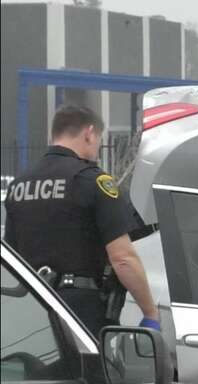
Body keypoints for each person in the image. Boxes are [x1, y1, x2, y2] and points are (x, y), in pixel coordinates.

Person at [4, 105, 159, 336]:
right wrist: (150, 314)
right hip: (80, 311)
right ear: (89, 133)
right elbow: (123, 258)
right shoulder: (94, 182)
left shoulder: (18, 186)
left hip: (32, 308)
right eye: (98, 139)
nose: (96, 148)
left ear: (52, 135)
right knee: (86, 372)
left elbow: (10, 260)